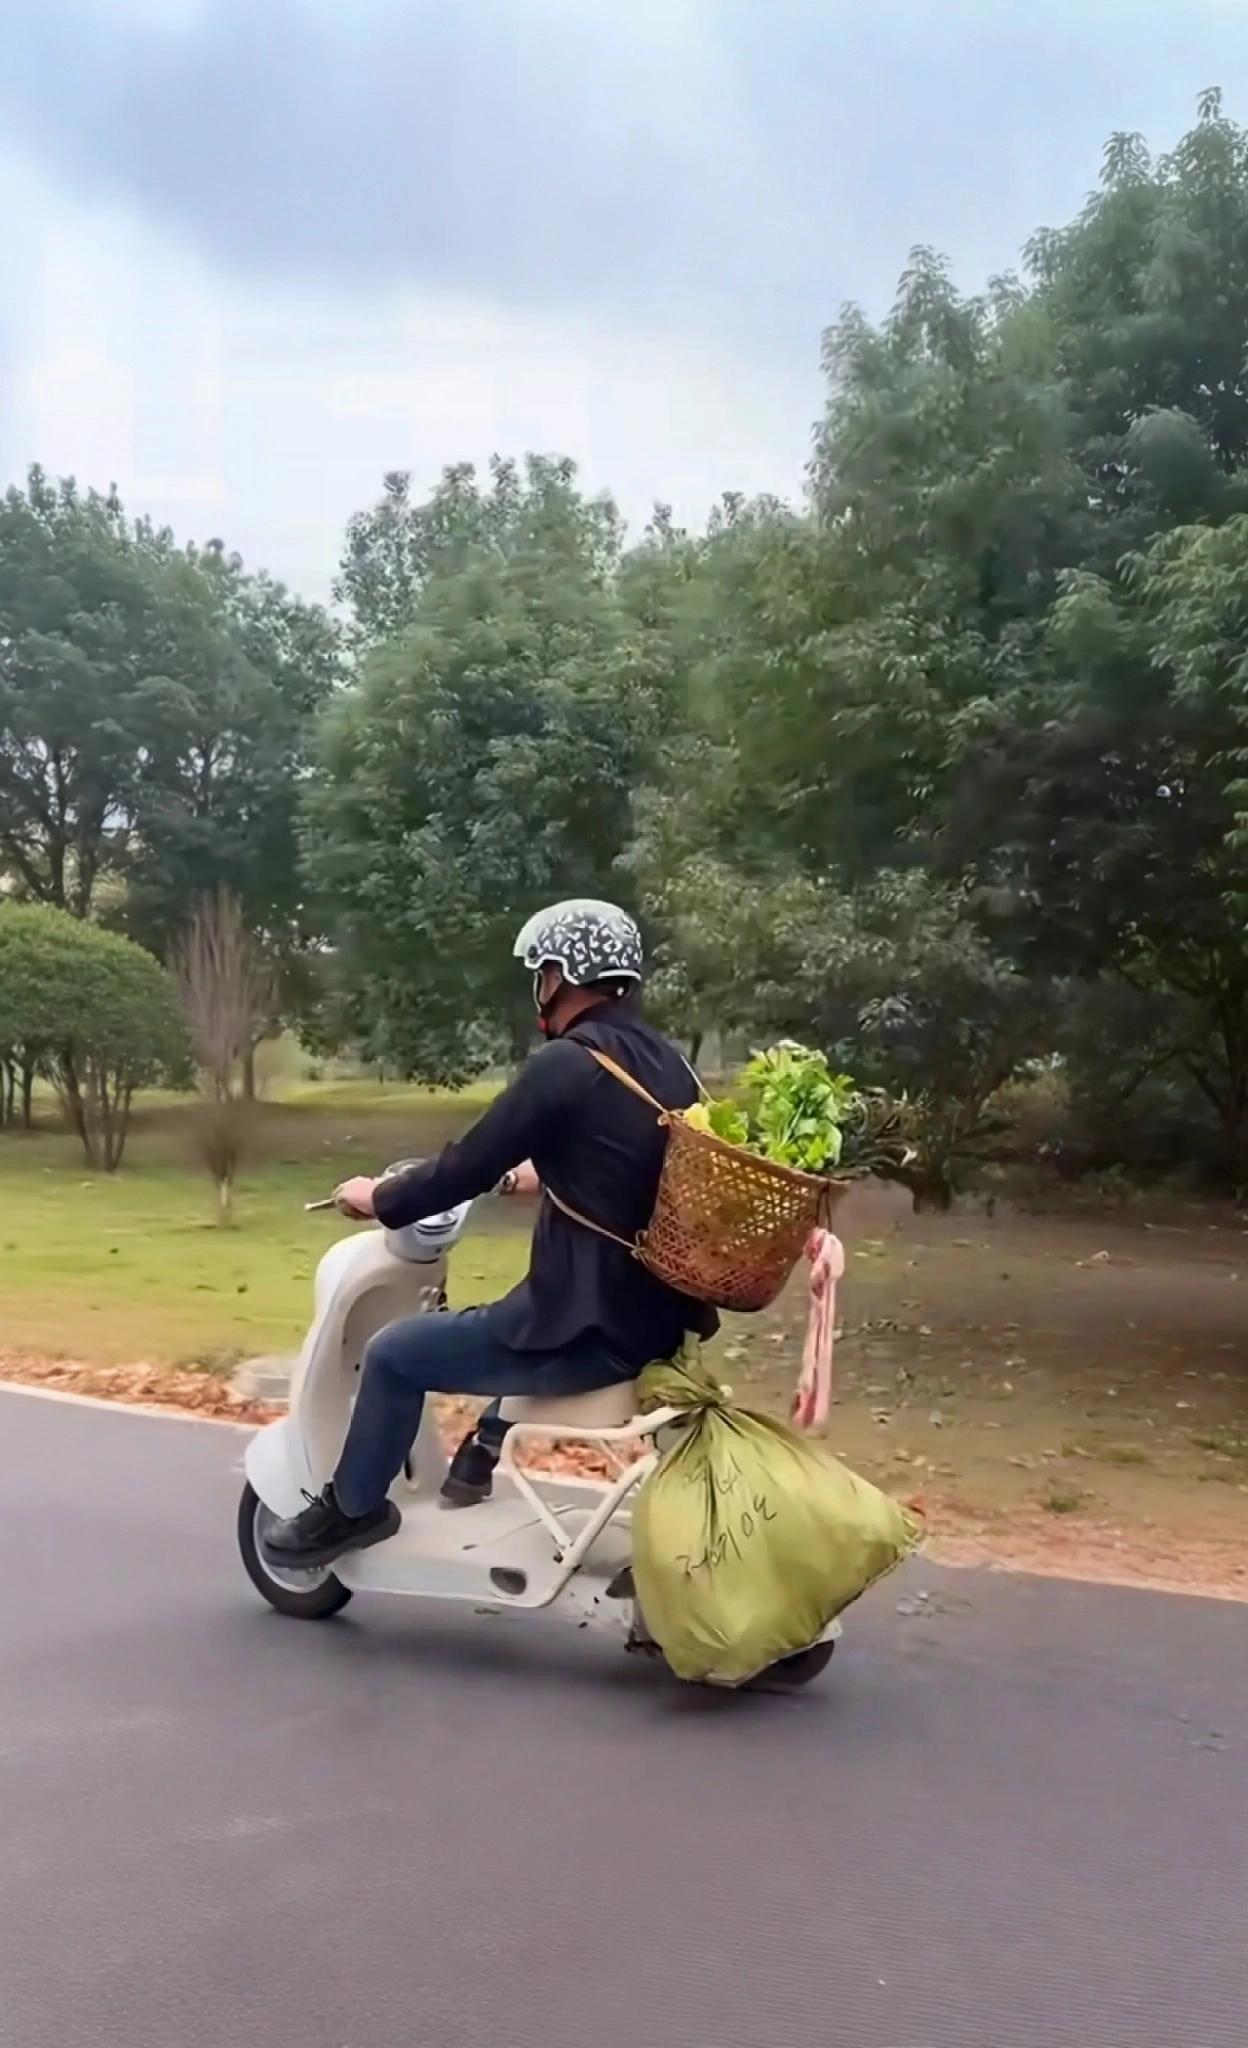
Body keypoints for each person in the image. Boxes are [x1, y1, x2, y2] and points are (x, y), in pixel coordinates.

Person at [263, 899, 717, 1570]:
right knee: (504, 1318)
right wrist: (535, 1176)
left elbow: (466, 1164)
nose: (540, 985)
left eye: (543, 971)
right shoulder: (666, 1066)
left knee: (394, 1354)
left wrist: (379, 1197)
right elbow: (624, 1162)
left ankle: (352, 1511)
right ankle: (478, 1454)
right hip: (654, 1322)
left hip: (591, 1334)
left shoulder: (569, 1064)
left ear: (563, 975)